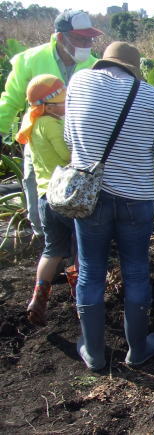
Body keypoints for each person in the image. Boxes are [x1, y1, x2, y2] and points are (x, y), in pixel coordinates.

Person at [64, 42, 154, 370]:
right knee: (136, 272)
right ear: (133, 68)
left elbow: (70, 140)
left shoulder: (79, 82)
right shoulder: (150, 96)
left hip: (91, 199)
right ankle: (137, 350)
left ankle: (95, 354)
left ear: (104, 63)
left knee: (90, 272)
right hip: (136, 199)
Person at [0, 9, 102, 237]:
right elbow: (11, 98)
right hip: (41, 141)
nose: (86, 43)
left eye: (89, 39)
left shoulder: (96, 67)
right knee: (36, 188)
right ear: (60, 37)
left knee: (80, 192)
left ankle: (75, 245)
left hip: (78, 143)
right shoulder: (31, 60)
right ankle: (46, 239)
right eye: (80, 38)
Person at [14, 74, 73, 326]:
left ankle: (39, 297)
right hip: (67, 196)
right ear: (47, 106)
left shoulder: (32, 123)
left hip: (44, 198)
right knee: (80, 248)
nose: (66, 104)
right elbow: (66, 155)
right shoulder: (51, 124)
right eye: (62, 101)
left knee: (53, 250)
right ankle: (80, 297)